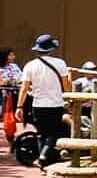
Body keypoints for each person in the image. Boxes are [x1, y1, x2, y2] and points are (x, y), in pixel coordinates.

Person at [20, 34, 70, 168]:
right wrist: (69, 97)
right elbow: (66, 85)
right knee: (56, 132)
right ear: (51, 49)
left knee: (41, 134)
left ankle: (43, 161)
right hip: (56, 104)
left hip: (38, 105)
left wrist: (19, 106)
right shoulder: (60, 63)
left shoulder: (30, 65)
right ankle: (43, 157)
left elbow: (24, 88)